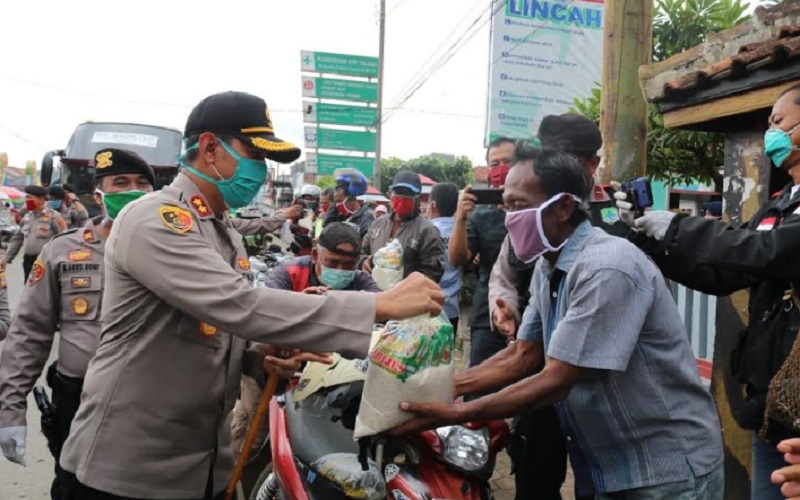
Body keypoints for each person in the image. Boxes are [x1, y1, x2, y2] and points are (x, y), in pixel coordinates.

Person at [54, 91, 444, 500]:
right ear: (209, 148)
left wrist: (261, 356)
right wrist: (379, 305)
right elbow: (239, 306)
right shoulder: (156, 218)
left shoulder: (221, 230)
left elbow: (213, 331)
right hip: (131, 467)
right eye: (253, 155)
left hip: (201, 461)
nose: (259, 170)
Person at [394, 145, 725, 499]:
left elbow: (557, 379)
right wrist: (442, 385)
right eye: (506, 205)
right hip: (607, 468)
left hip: (664, 473)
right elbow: (522, 354)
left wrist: (452, 412)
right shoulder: (548, 264)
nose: (508, 218)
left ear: (564, 207)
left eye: (519, 206)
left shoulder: (605, 266)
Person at [614, 84, 800, 500]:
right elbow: (726, 273)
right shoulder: (781, 203)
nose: (771, 130)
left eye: (779, 121)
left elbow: (765, 251)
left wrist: (678, 226)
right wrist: (650, 239)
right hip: (773, 406)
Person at [0, 148, 156, 500]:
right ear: (100, 195)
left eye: (141, 184)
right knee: (76, 490)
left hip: (153, 405)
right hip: (79, 399)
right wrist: (10, 408)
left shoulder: (179, 250)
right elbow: (29, 334)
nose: (132, 190)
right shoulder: (63, 251)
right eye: (120, 183)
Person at [486, 115, 628, 499]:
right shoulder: (529, 203)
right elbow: (506, 270)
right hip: (540, 361)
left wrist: (455, 408)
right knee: (535, 470)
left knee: (598, 476)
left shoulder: (617, 211)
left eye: (565, 158)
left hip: (595, 378)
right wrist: (507, 307)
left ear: (592, 164)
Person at [231, 222, 381, 478]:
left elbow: (381, 317)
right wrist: (303, 304)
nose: (341, 271)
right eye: (333, 262)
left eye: (349, 265)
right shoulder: (287, 272)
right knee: (252, 435)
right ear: (314, 255)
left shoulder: (362, 282)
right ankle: (233, 477)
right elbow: (268, 316)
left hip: (325, 375)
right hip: (273, 366)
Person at [450, 137, 515, 368]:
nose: (501, 169)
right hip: (487, 315)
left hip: (532, 313)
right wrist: (460, 218)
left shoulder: (538, 208)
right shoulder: (481, 213)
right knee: (480, 386)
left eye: (508, 161)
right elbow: (458, 259)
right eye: (494, 164)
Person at [361, 170, 444, 283]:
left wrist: (406, 279)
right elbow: (362, 252)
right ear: (391, 195)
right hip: (375, 294)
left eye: (408, 193)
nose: (402, 197)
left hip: (406, 296)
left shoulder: (427, 230)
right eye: (398, 192)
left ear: (418, 199)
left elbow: (434, 271)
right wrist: (364, 261)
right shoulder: (377, 224)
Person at [2, 185, 67, 281]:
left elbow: (64, 238)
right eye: (26, 197)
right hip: (28, 261)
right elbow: (17, 239)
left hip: (45, 261)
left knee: (43, 292)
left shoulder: (54, 216)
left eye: (29, 197)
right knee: (29, 291)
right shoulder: (27, 217)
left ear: (41, 199)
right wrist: (6, 259)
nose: (26, 200)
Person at [428, 183, 461, 333]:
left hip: (427, 307)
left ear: (432, 205)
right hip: (452, 308)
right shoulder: (462, 231)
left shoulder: (426, 231)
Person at [324, 168, 374, 238]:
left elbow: (367, 242)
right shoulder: (338, 215)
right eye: (336, 202)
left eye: (339, 201)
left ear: (351, 199)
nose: (337, 205)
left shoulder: (366, 216)